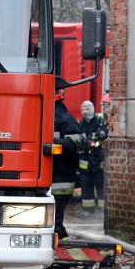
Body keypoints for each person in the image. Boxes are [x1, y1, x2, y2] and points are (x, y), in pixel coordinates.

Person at [51, 92, 83, 239]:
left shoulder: (65, 119)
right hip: (48, 174)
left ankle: (59, 237)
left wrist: (53, 143)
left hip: (61, 176)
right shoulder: (42, 116)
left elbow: (76, 143)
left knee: (55, 215)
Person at [78, 99, 108, 214]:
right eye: (82, 109)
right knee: (86, 189)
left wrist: (96, 143)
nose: (85, 112)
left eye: (87, 109)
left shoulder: (100, 122)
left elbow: (104, 138)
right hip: (85, 165)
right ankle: (88, 211)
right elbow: (79, 142)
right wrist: (86, 144)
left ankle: (102, 211)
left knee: (101, 188)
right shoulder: (80, 125)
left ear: (92, 109)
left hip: (98, 163)